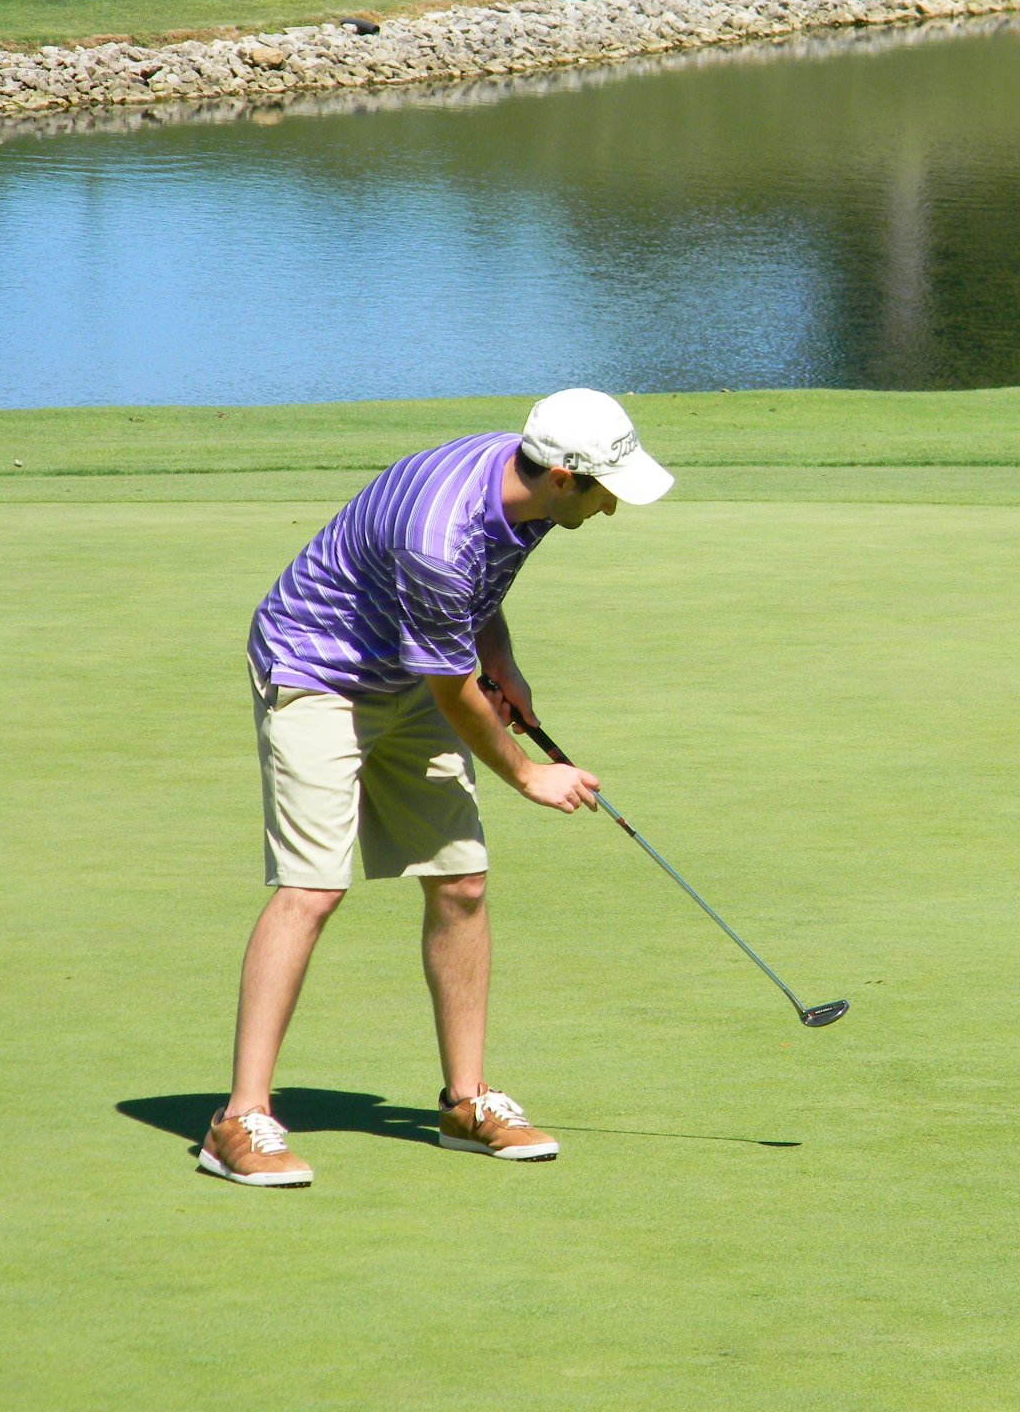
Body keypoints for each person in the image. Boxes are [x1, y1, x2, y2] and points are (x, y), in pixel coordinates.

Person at [198, 389, 675, 1187]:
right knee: (312, 889)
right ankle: (238, 1121)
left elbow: (478, 600)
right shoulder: (439, 536)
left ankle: (466, 1102)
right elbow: (453, 689)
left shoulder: (526, 490)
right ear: (563, 476)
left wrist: (505, 665)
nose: (611, 508)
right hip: (318, 672)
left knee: (462, 881)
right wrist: (529, 774)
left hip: (408, 668)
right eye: (603, 492)